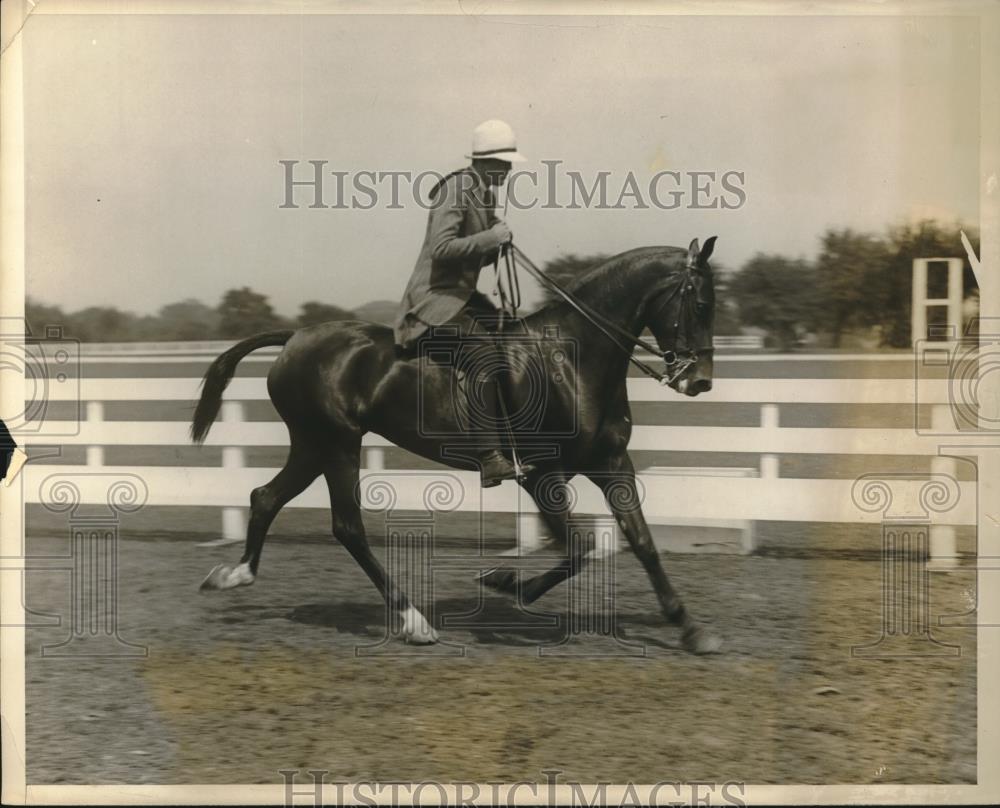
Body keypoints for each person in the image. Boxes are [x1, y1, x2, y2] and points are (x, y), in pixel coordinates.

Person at [393, 120, 534, 487]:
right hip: (432, 302)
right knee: (483, 351)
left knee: (514, 336)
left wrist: (495, 243)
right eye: (503, 164)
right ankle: (489, 458)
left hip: (460, 298)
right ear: (485, 162)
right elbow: (441, 249)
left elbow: (473, 257)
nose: (507, 171)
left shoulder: (483, 193)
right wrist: (490, 236)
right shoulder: (455, 189)